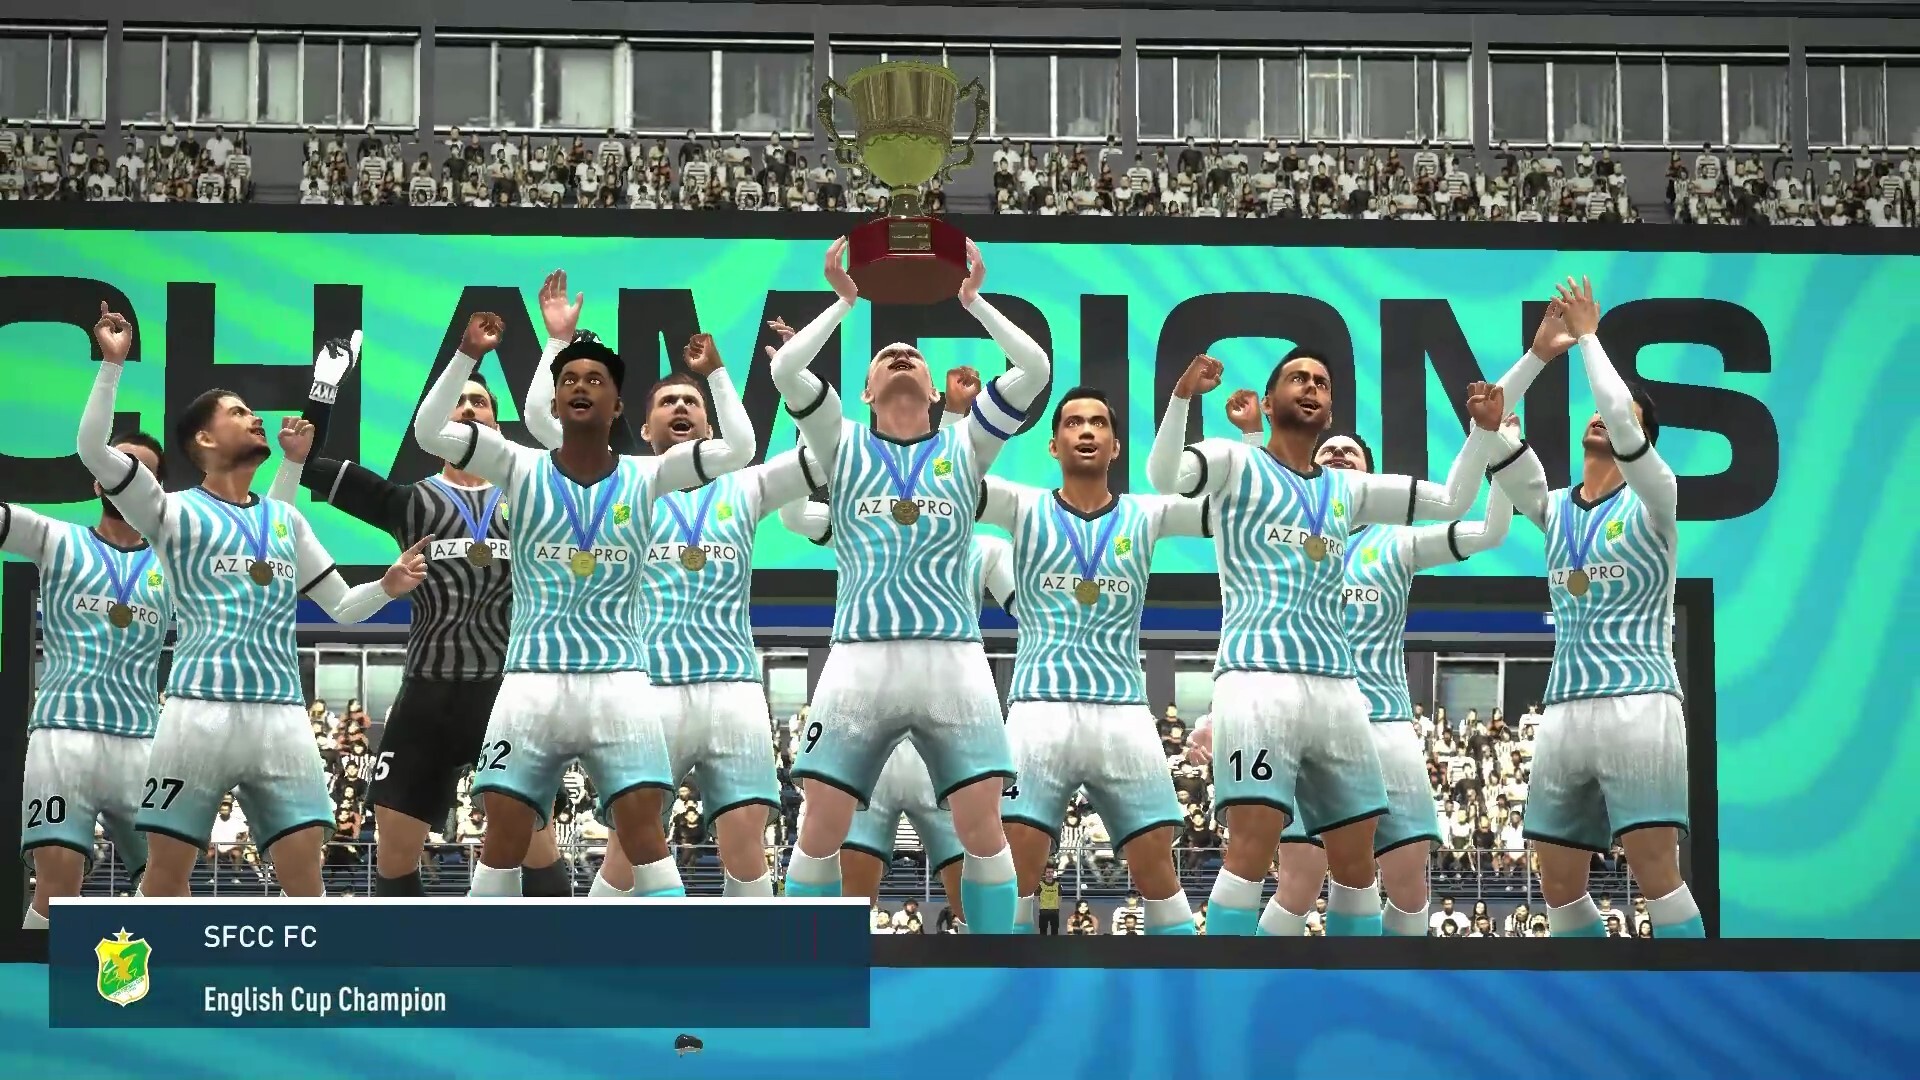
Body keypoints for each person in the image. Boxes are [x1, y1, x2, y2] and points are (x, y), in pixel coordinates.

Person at [1146, 348, 1506, 935]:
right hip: (1256, 679)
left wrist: (1484, 434)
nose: (1311, 386)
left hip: (1339, 693)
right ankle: (1223, 981)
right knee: (1253, 848)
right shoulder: (1235, 462)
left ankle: (1352, 983)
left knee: (1357, 865)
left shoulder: (1349, 491)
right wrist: (1183, 397)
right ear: (1269, 402)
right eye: (1297, 378)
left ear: (1331, 407)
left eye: (1321, 381)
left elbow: (1453, 501)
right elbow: (1165, 478)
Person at [76, 306, 428, 897]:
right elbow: (92, 448)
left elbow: (343, 607)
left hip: (282, 716)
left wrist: (386, 587)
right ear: (205, 439)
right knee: (166, 876)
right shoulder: (170, 511)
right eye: (239, 413)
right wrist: (112, 365)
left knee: (307, 881)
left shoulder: (286, 522)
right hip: (197, 711)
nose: (255, 417)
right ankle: (149, 963)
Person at [411, 310, 752, 898]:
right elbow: (427, 433)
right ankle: (481, 955)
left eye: (596, 380)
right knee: (502, 840)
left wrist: (717, 373)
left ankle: (671, 956)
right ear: (554, 400)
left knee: (645, 838)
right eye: (569, 379)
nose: (580, 387)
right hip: (531, 681)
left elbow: (740, 448)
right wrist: (468, 353)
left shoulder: (650, 474)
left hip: (619, 683)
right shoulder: (516, 464)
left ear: (617, 406)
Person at [764, 238, 1050, 934]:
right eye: (885, 356)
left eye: (913, 357)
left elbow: (1035, 370)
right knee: (820, 827)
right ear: (863, 392)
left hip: (954, 657)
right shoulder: (841, 445)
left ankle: (992, 966)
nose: (900, 356)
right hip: (858, 657)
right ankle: (809, 969)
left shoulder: (967, 446)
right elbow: (786, 369)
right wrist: (842, 302)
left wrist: (974, 301)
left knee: (983, 828)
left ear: (935, 392)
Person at [262, 278, 575, 897]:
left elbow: (587, 453)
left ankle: (559, 949)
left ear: (496, 423)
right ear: (440, 422)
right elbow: (307, 458)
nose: (469, 409)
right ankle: (404, 956)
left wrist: (559, 345)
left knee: (534, 844)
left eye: (480, 402)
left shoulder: (537, 496)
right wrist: (324, 387)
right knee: (395, 851)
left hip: (508, 693)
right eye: (458, 401)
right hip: (426, 695)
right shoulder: (407, 502)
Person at [516, 288, 825, 901]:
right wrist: (556, 342)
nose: (681, 406)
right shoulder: (624, 484)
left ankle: (753, 966)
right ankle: (592, 959)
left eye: (692, 402)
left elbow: (826, 453)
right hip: (648, 688)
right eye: (667, 402)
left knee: (747, 850)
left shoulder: (749, 486)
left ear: (710, 426)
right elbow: (541, 421)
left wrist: (793, 377)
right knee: (628, 855)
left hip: (734, 689)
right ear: (642, 425)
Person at [1487, 278, 1701, 938]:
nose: (1603, 416)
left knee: (1656, 871)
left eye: (1623, 414)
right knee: (1557, 885)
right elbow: (1489, 423)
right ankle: (1594, 987)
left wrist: (1588, 338)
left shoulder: (1656, 499)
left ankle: (1688, 988)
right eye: (1600, 411)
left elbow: (1617, 407)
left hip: (1639, 697)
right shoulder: (1552, 508)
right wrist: (1536, 357)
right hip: (1564, 708)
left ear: (1644, 438)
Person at [975, 386, 1207, 936]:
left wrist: (1184, 402)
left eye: (1098, 423)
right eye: (1073, 422)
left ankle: (1182, 986)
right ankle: (1005, 984)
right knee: (1018, 869)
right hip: (1039, 708)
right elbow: (952, 480)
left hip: (1123, 711)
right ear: (1053, 445)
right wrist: (961, 412)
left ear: (1116, 446)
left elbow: (1233, 509)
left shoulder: (1147, 513)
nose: (1086, 431)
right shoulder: (1022, 506)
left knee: (1158, 869)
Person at [781, 494, 1015, 932]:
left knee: (970, 898)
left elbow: (1030, 605)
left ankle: (991, 968)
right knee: (852, 902)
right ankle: (820, 969)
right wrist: (805, 468)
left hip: (942, 744)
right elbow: (793, 515)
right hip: (872, 740)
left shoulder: (986, 548)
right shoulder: (866, 527)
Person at [12, 430, 169, 925]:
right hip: (63, 738)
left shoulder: (175, 562)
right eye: (118, 466)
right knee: (57, 892)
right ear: (98, 481)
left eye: (143, 473)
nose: (127, 479)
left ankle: (139, 973)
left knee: (168, 887)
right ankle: (42, 977)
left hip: (143, 744)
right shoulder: (54, 539)